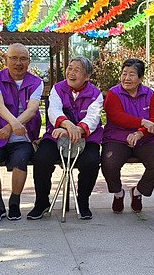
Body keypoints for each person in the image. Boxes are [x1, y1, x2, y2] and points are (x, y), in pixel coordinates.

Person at [27, 56, 103, 220]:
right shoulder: (57, 88)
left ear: (87, 77)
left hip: (87, 137)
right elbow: (54, 111)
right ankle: (41, 202)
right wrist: (67, 126)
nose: (71, 73)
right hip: (57, 135)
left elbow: (93, 118)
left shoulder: (96, 94)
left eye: (77, 70)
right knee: (42, 159)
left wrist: (75, 130)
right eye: (70, 68)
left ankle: (83, 203)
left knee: (91, 161)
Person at [0, 43, 43, 223]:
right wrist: (12, 124)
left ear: (29, 61)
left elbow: (32, 109)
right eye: (14, 58)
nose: (18, 63)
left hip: (23, 136)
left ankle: (14, 202)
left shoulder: (36, 82)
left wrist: (11, 127)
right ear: (6, 59)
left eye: (23, 59)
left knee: (20, 162)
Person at [101, 58, 154, 213]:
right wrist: (143, 122)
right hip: (117, 138)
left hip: (144, 138)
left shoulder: (149, 93)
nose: (126, 78)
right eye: (124, 73)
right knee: (109, 163)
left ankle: (137, 192)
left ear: (140, 78)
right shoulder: (113, 93)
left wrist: (140, 133)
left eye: (131, 74)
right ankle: (118, 193)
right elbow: (117, 116)